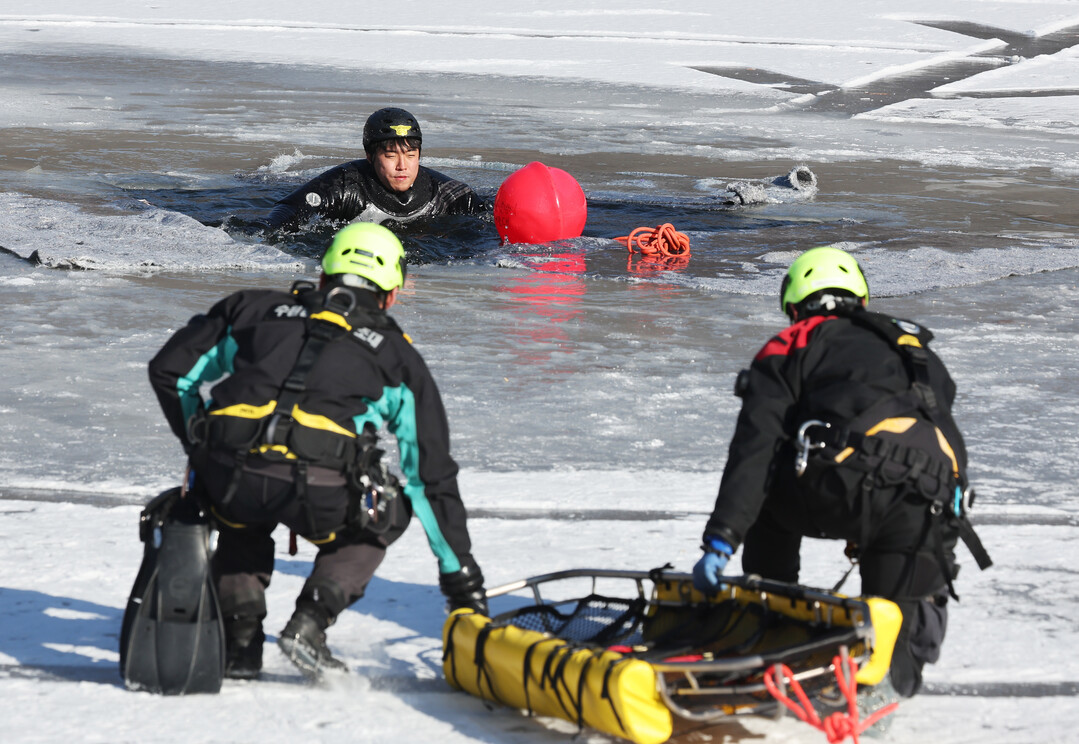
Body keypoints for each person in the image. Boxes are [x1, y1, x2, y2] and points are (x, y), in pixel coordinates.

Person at [147, 222, 488, 681]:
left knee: (239, 518)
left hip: (231, 475)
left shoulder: (251, 308)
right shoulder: (397, 355)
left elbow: (170, 371)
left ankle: (242, 643)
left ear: (323, 277)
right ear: (390, 295)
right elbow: (430, 477)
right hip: (321, 490)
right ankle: (310, 623)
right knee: (387, 515)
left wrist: (199, 447)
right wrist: (461, 579)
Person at [691, 245, 991, 701]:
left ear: (795, 305)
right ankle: (890, 679)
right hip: (931, 498)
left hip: (845, 483)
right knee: (895, 622)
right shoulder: (913, 343)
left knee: (767, 498)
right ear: (861, 299)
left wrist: (722, 538)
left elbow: (756, 450)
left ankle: (772, 623)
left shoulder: (791, 343)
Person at [258, 107, 486, 232]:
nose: (402, 166)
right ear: (369, 156)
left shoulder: (450, 195)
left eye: (410, 155)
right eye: (390, 155)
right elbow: (288, 210)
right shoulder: (345, 185)